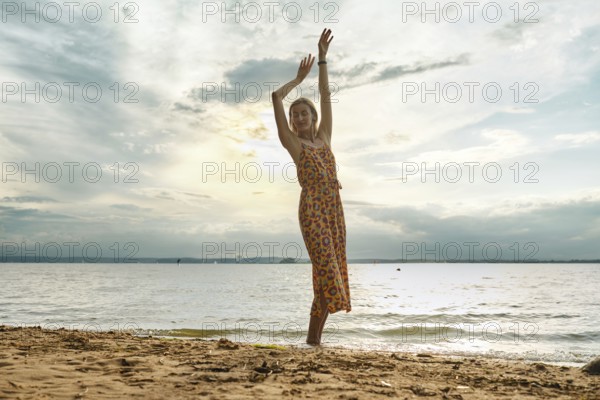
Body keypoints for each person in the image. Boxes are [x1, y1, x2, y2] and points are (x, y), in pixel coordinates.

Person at [271, 28, 351, 345]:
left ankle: (312, 342)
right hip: (313, 213)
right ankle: (312, 340)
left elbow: (327, 95)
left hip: (335, 213)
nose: (300, 117)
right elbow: (276, 98)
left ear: (313, 117)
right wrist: (296, 81)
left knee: (327, 279)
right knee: (328, 273)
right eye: (296, 115)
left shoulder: (325, 138)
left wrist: (322, 60)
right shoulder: (293, 145)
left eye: (304, 113)